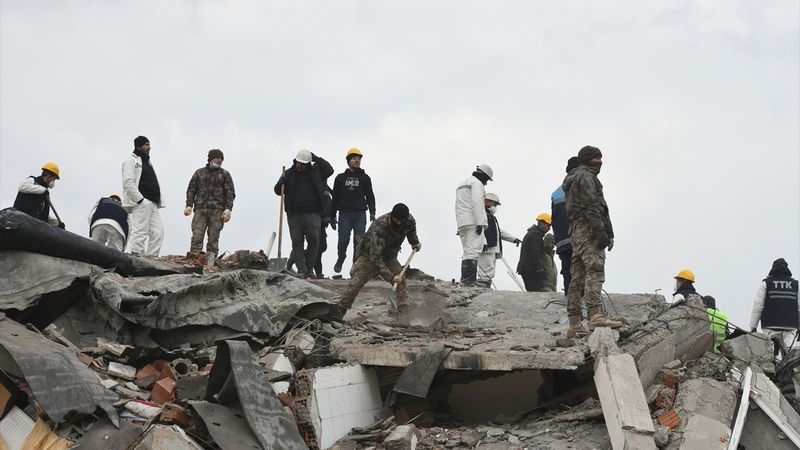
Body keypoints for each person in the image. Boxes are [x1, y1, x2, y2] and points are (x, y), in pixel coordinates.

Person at [562, 145, 622, 337]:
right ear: (589, 160)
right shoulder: (587, 177)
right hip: (588, 229)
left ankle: (574, 323)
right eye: (597, 158)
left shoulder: (572, 179)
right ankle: (595, 315)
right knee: (594, 269)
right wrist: (600, 231)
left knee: (577, 276)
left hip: (576, 232)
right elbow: (592, 206)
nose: (600, 162)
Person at [337, 203, 422, 321]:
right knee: (355, 284)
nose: (399, 223)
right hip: (369, 257)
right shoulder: (380, 226)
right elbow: (376, 258)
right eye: (396, 220)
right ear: (392, 216)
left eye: (401, 220)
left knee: (401, 281)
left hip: (390, 256)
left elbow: (411, 233)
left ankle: (404, 316)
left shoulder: (409, 220)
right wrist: (391, 277)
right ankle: (338, 312)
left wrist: (415, 243)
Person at [274, 149, 333, 278]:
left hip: (313, 213)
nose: (300, 166)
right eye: (298, 163)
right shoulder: (288, 174)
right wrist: (280, 183)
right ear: (295, 161)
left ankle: (309, 268)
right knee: (297, 242)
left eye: (303, 163)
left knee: (314, 241)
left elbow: (329, 170)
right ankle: (302, 270)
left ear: (308, 163)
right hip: (294, 214)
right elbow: (278, 191)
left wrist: (315, 157)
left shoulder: (315, 173)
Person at [184, 149, 236, 260]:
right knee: (197, 237)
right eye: (218, 157)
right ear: (211, 158)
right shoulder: (199, 173)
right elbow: (191, 190)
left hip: (217, 211)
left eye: (222, 158)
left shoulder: (225, 174)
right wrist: (189, 205)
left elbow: (230, 193)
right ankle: (194, 261)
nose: (220, 160)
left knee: (213, 239)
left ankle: (210, 264)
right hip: (200, 210)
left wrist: (228, 209)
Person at [331, 148, 376, 274]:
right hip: (344, 214)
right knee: (343, 240)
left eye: (359, 158)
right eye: (354, 158)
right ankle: (341, 258)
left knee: (359, 243)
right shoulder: (340, 178)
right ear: (348, 161)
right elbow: (335, 198)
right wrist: (332, 215)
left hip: (360, 214)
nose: (357, 160)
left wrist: (372, 211)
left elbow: (370, 196)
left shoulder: (365, 178)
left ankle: (355, 268)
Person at [122, 136, 165, 256]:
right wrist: (140, 200)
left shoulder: (147, 161)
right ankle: (137, 258)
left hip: (153, 202)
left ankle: (151, 259)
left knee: (158, 232)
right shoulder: (130, 160)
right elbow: (128, 182)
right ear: (139, 146)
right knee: (140, 231)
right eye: (146, 144)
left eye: (149, 144)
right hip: (141, 202)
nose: (149, 147)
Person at [750, 258, 799, 357]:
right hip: (790, 327)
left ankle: (770, 370)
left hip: (770, 327)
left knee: (769, 355)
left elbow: (758, 306)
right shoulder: (795, 285)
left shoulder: (766, 283)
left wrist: (753, 326)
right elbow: (799, 307)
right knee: (791, 355)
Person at [455, 164, 493, 286]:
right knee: (474, 251)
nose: (486, 183)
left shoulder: (462, 184)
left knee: (467, 251)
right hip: (473, 221)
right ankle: (469, 281)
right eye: (486, 180)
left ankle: (465, 280)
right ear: (484, 176)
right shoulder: (477, 184)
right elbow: (477, 203)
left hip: (462, 222)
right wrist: (479, 222)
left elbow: (459, 206)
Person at [477, 193, 520, 287]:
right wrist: (483, 242)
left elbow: (498, 231)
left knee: (490, 266)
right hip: (486, 246)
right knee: (486, 266)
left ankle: (486, 284)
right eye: (494, 204)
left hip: (492, 246)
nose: (495, 207)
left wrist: (513, 239)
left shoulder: (490, 216)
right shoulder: (481, 213)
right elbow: (479, 230)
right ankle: (482, 285)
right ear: (487, 201)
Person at [551, 157, 579, 295]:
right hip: (579, 239)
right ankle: (584, 308)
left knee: (568, 274)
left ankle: (570, 307)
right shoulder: (583, 184)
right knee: (583, 273)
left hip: (562, 241)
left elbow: (554, 220)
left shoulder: (556, 192)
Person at [13, 162, 64, 228]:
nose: (53, 182)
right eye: (54, 179)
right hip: (20, 221)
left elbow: (40, 212)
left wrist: (56, 223)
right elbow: (21, 187)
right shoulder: (32, 181)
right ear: (49, 177)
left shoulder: (45, 193)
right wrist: (42, 190)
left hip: (32, 226)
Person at [517, 213, 551, 291]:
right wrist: (539, 269)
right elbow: (535, 253)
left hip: (528, 269)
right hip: (530, 270)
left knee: (536, 291)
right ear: (542, 223)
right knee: (537, 292)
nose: (549, 228)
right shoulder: (535, 234)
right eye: (548, 225)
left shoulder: (534, 233)